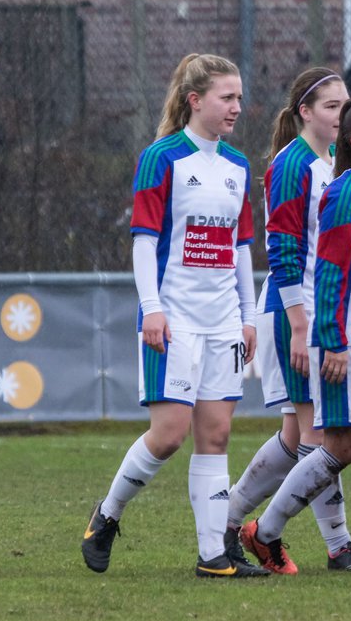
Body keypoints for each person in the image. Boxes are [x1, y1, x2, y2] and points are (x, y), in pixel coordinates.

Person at [81, 53, 266, 578]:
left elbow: (240, 247)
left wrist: (248, 317)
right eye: (226, 97)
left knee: (217, 436)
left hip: (224, 320)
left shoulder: (236, 165)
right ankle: (107, 515)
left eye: (237, 96)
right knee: (168, 435)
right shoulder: (161, 158)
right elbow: (144, 241)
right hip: (175, 318)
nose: (236, 106)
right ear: (195, 100)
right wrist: (153, 309)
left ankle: (213, 557)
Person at [242, 98, 351, 576]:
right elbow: (328, 274)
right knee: (341, 447)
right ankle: (264, 531)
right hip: (349, 339)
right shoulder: (346, 193)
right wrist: (332, 339)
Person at [226, 68, 351, 575]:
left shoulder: (330, 165)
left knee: (299, 437)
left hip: (316, 313)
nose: (342, 113)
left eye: (345, 104)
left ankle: (224, 524)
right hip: (295, 313)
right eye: (332, 106)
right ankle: (335, 547)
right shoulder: (293, 164)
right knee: (321, 437)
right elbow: (283, 248)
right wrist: (299, 324)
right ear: (305, 113)